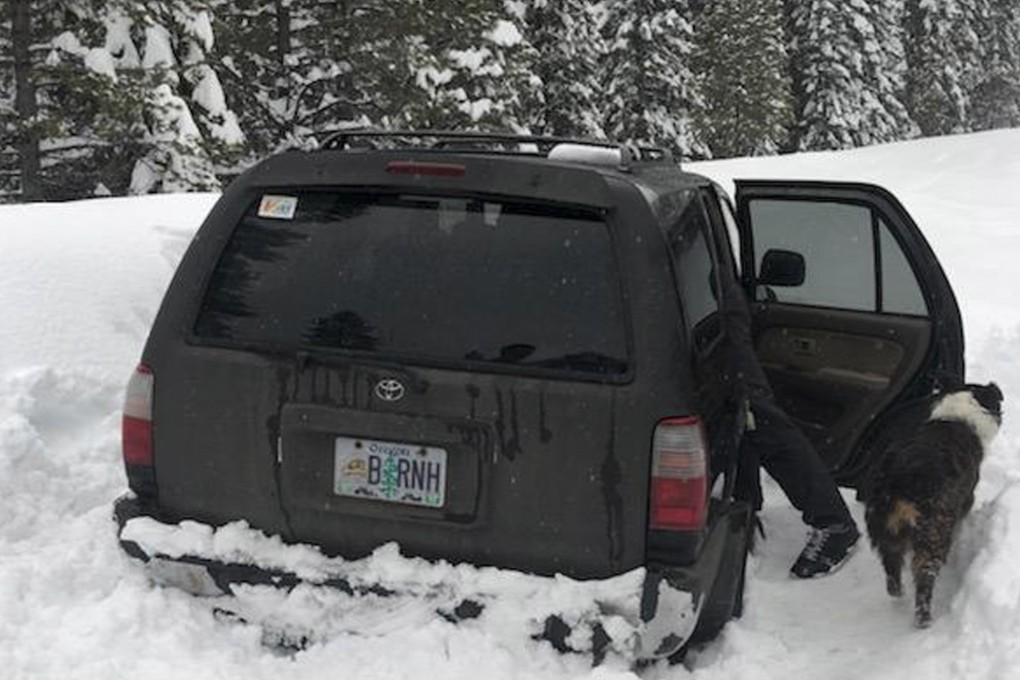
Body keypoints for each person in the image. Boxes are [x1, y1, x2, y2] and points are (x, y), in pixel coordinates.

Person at [723, 279, 860, 578]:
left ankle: (834, 523)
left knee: (757, 418)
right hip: (708, 313)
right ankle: (743, 507)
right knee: (740, 419)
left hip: (715, 319)